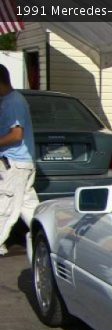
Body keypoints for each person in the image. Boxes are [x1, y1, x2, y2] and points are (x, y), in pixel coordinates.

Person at [0, 64, 38, 256]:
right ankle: (47, 235)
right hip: (20, 162)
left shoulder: (14, 103)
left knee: (6, 206)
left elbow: (16, 135)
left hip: (16, 163)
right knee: (27, 205)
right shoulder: (8, 100)